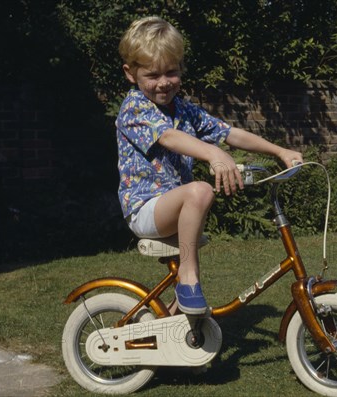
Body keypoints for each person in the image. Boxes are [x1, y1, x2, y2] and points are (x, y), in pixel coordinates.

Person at [116, 16, 302, 315]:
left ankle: (179, 328)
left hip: (174, 207)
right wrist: (213, 154)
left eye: (171, 72)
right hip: (145, 207)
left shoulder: (184, 108)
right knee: (200, 191)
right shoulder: (135, 107)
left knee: (197, 197)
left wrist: (279, 151)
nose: (163, 82)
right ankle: (189, 280)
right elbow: (168, 136)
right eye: (153, 75)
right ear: (131, 73)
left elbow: (230, 132)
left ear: (181, 69)